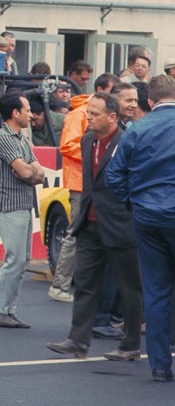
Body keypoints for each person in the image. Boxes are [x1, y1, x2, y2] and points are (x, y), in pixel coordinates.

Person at [47, 92, 143, 363]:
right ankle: (77, 340)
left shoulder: (127, 142)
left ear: (112, 118)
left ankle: (130, 344)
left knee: (129, 287)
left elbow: (134, 183)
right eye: (89, 112)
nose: (88, 117)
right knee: (86, 282)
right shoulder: (88, 139)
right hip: (89, 224)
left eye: (95, 113)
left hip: (120, 226)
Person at [107, 74, 175, 380]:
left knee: (156, 290)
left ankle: (159, 365)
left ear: (150, 100)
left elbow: (113, 176)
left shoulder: (137, 129)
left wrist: (134, 203)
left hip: (148, 215)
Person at [0, 93, 45, 329]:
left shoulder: (22, 138)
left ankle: (8, 310)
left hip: (22, 203)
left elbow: (38, 172)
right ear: (15, 113)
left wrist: (29, 172)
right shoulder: (3, 138)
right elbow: (25, 172)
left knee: (22, 261)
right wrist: (29, 172)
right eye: (28, 110)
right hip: (9, 204)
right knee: (15, 260)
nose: (31, 114)